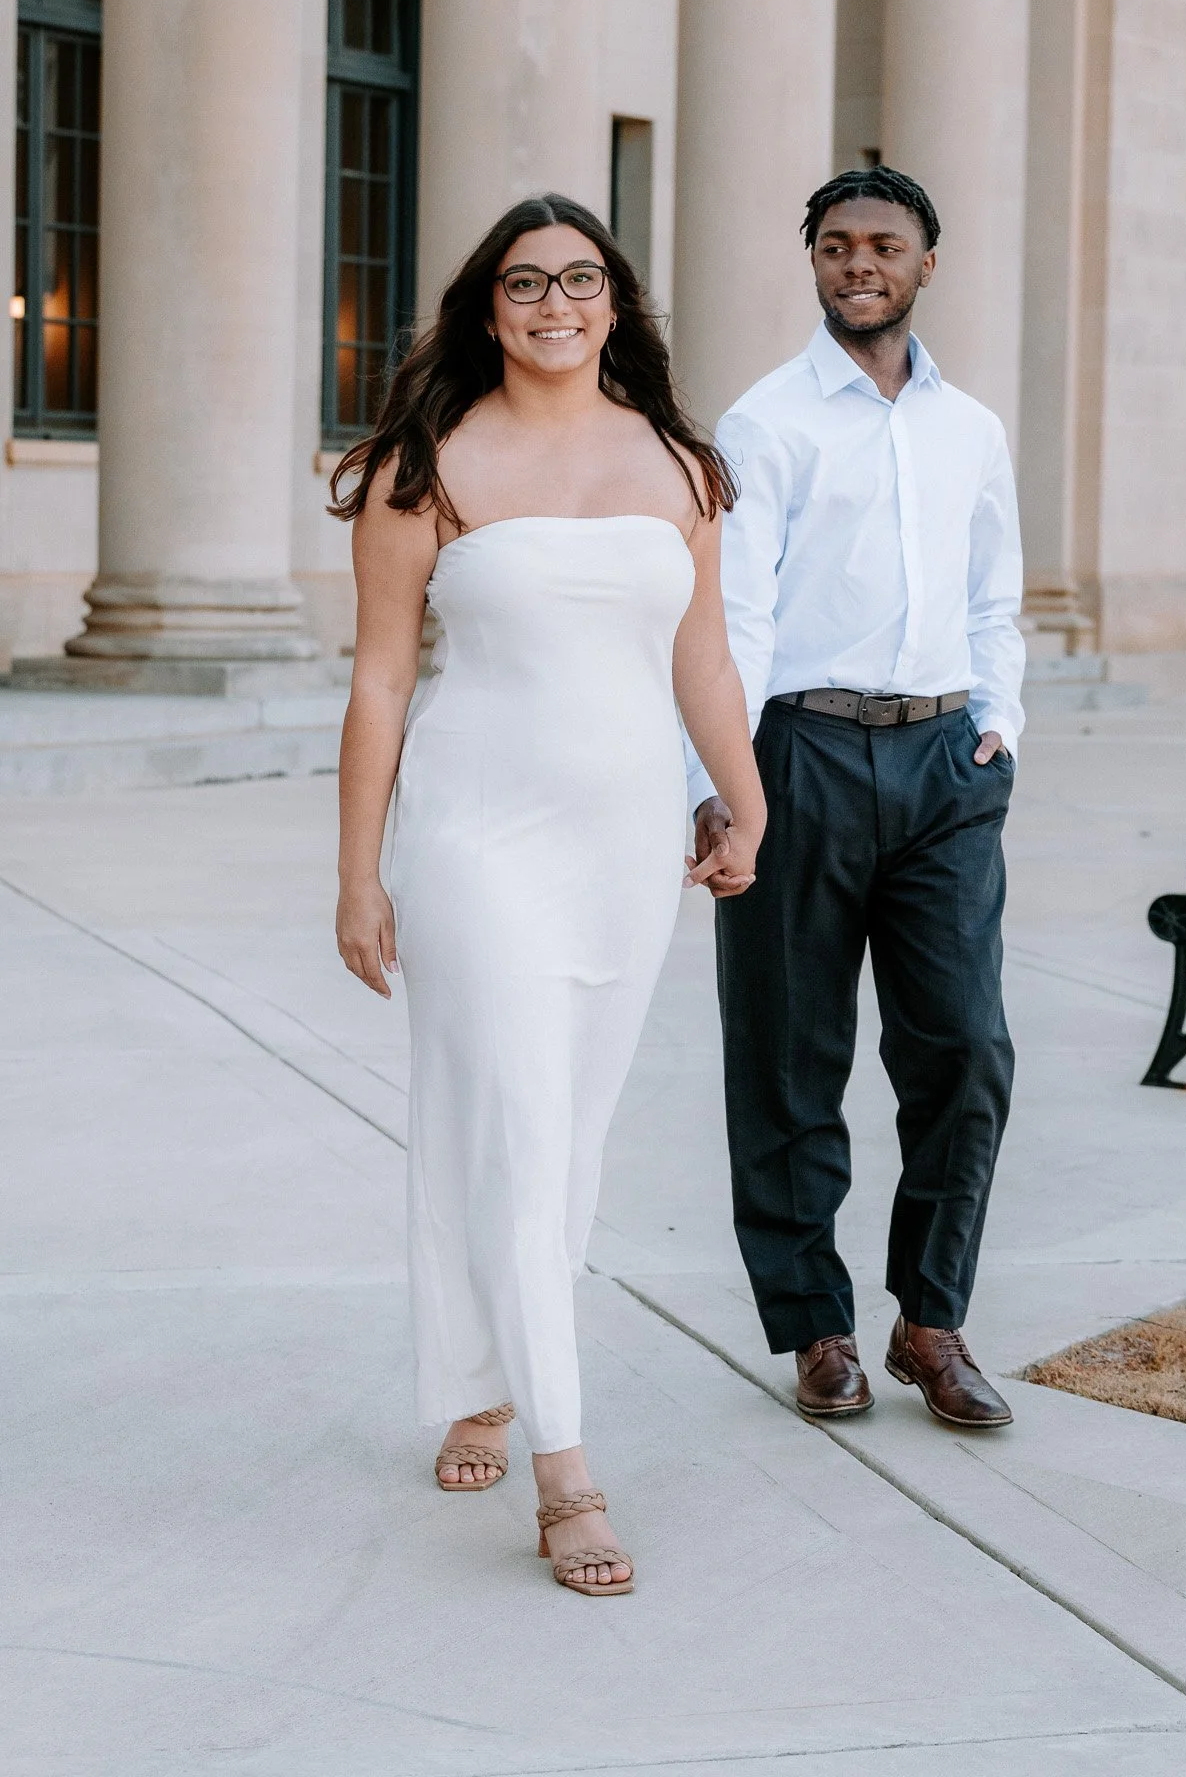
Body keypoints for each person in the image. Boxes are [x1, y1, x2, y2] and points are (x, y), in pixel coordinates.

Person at [331, 195, 765, 1596]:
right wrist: (357, 873)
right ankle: (564, 1468)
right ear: (485, 308)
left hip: (625, 848)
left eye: (582, 279)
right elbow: (382, 681)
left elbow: (698, 659)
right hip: (473, 841)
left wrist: (745, 794)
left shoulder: (681, 469)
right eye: (526, 284)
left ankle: (486, 1374)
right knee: (518, 1116)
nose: (555, 304)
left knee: (557, 1137)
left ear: (617, 302)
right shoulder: (424, 468)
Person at [689, 165, 1025, 1431]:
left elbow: (998, 593)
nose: (857, 264)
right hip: (801, 755)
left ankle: (932, 1319)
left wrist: (1000, 724)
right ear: (814, 262)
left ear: (926, 262)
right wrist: (722, 787)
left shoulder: (970, 429)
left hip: (946, 764)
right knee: (788, 1055)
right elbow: (733, 615)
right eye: (834, 246)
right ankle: (815, 1325)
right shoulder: (765, 422)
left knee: (966, 1049)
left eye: (882, 244)